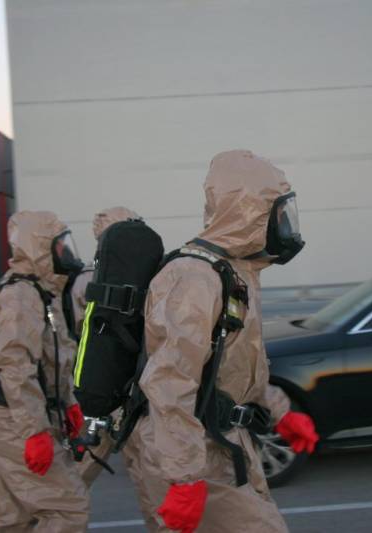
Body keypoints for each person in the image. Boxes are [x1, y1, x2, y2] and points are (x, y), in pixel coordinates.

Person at [125, 150, 319, 532]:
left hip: (227, 445)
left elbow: (238, 368)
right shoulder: (193, 277)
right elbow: (169, 381)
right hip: (198, 452)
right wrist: (184, 476)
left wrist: (280, 413)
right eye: (279, 214)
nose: (285, 226)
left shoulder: (235, 273)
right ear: (249, 213)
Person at [0, 211, 89, 532]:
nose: (66, 252)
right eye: (60, 245)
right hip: (12, 418)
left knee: (14, 518)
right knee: (67, 508)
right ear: (40, 248)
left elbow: (53, 361)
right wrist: (35, 431)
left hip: (12, 414)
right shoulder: (20, 295)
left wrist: (68, 404)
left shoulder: (40, 292)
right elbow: (14, 365)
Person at [70, 205, 141, 486]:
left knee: (83, 467)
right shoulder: (148, 274)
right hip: (122, 386)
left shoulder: (86, 279)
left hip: (103, 382)